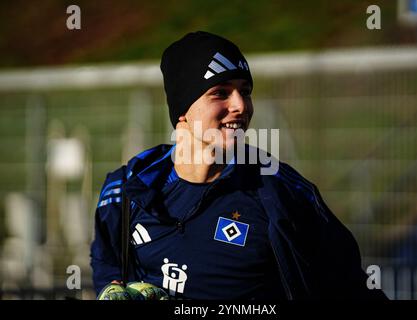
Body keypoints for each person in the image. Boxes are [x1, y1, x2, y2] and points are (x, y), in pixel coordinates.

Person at [90, 31, 387, 300]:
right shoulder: (129, 187)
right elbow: (107, 259)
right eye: (220, 93)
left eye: (245, 91)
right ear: (183, 112)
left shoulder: (282, 193)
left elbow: (350, 287)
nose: (241, 106)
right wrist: (113, 287)